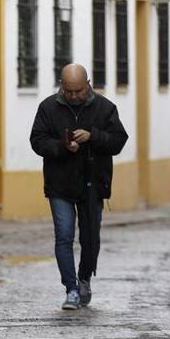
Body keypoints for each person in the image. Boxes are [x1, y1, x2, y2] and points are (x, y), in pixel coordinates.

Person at [29, 63, 129, 310]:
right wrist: (62, 147)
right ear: (61, 85)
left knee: (90, 238)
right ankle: (71, 289)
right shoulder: (48, 107)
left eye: (78, 91)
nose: (73, 96)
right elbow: (37, 141)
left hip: (93, 183)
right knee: (63, 236)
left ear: (88, 84)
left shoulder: (105, 108)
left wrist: (92, 136)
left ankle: (84, 279)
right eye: (68, 91)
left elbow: (118, 141)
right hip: (59, 183)